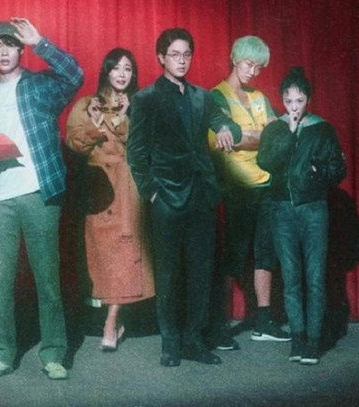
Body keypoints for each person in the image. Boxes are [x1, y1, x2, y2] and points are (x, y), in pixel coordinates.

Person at [0, 18, 83, 380]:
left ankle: (53, 354)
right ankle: (2, 354)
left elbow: (75, 76)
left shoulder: (40, 86)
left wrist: (40, 42)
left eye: (10, 44)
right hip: (1, 199)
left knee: (47, 279)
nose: (3, 51)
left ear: (20, 49)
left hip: (38, 193)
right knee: (0, 282)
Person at [127, 28, 241, 367]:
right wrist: (152, 193)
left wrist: (225, 129)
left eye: (187, 54)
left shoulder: (203, 97)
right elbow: (136, 154)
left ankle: (193, 341)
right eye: (175, 55)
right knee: (168, 274)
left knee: (201, 273)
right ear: (161, 57)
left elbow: (228, 124)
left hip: (201, 198)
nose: (181, 61)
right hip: (166, 199)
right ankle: (170, 344)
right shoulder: (145, 99)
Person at [66, 48, 154, 351]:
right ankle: (114, 318)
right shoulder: (87, 104)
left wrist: (126, 116)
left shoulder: (140, 104)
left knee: (126, 253)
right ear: (106, 71)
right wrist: (94, 124)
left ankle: (111, 321)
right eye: (116, 68)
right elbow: (75, 143)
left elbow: (146, 145)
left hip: (127, 186)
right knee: (103, 257)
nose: (122, 74)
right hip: (97, 188)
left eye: (128, 69)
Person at [206, 36, 291, 351]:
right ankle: (219, 326)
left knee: (265, 254)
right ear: (234, 59)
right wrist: (259, 135)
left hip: (266, 185)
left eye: (258, 67)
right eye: (248, 64)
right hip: (237, 188)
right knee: (234, 256)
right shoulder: (217, 96)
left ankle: (263, 321)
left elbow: (276, 137)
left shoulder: (259, 97)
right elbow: (223, 140)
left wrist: (246, 136)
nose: (253, 71)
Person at [257, 67, 346, 365]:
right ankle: (297, 338)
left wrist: (317, 171)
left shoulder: (323, 129)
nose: (294, 107)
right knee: (291, 277)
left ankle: (313, 341)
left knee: (315, 277)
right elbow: (266, 161)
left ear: (308, 99)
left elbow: (338, 170)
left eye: (299, 100)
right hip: (282, 210)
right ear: (282, 100)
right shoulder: (276, 129)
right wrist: (290, 133)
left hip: (313, 210)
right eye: (288, 101)